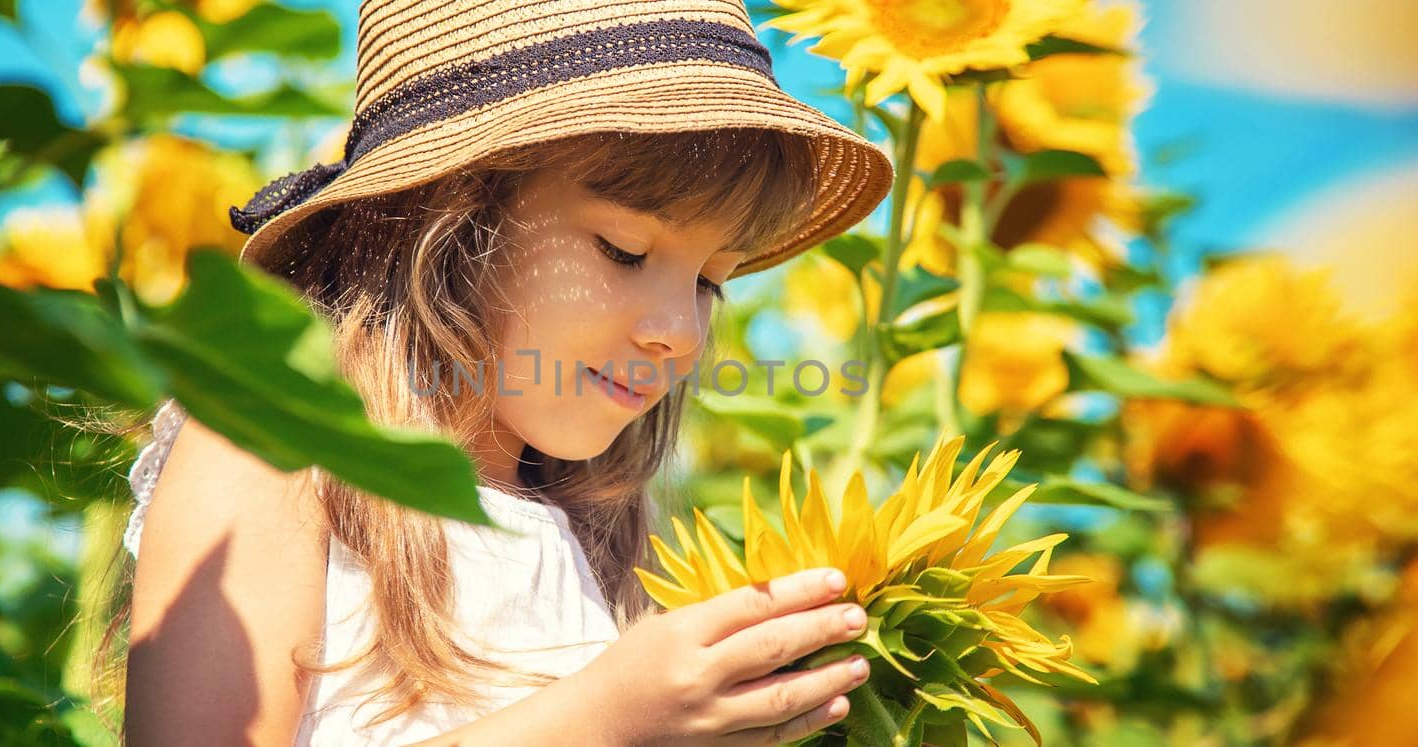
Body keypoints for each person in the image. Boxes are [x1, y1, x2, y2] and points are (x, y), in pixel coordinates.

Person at [120, 1, 894, 744]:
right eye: (624, 250)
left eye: (709, 281)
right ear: (451, 218)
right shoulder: (272, 448)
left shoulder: (615, 540)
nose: (681, 334)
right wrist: (600, 723)